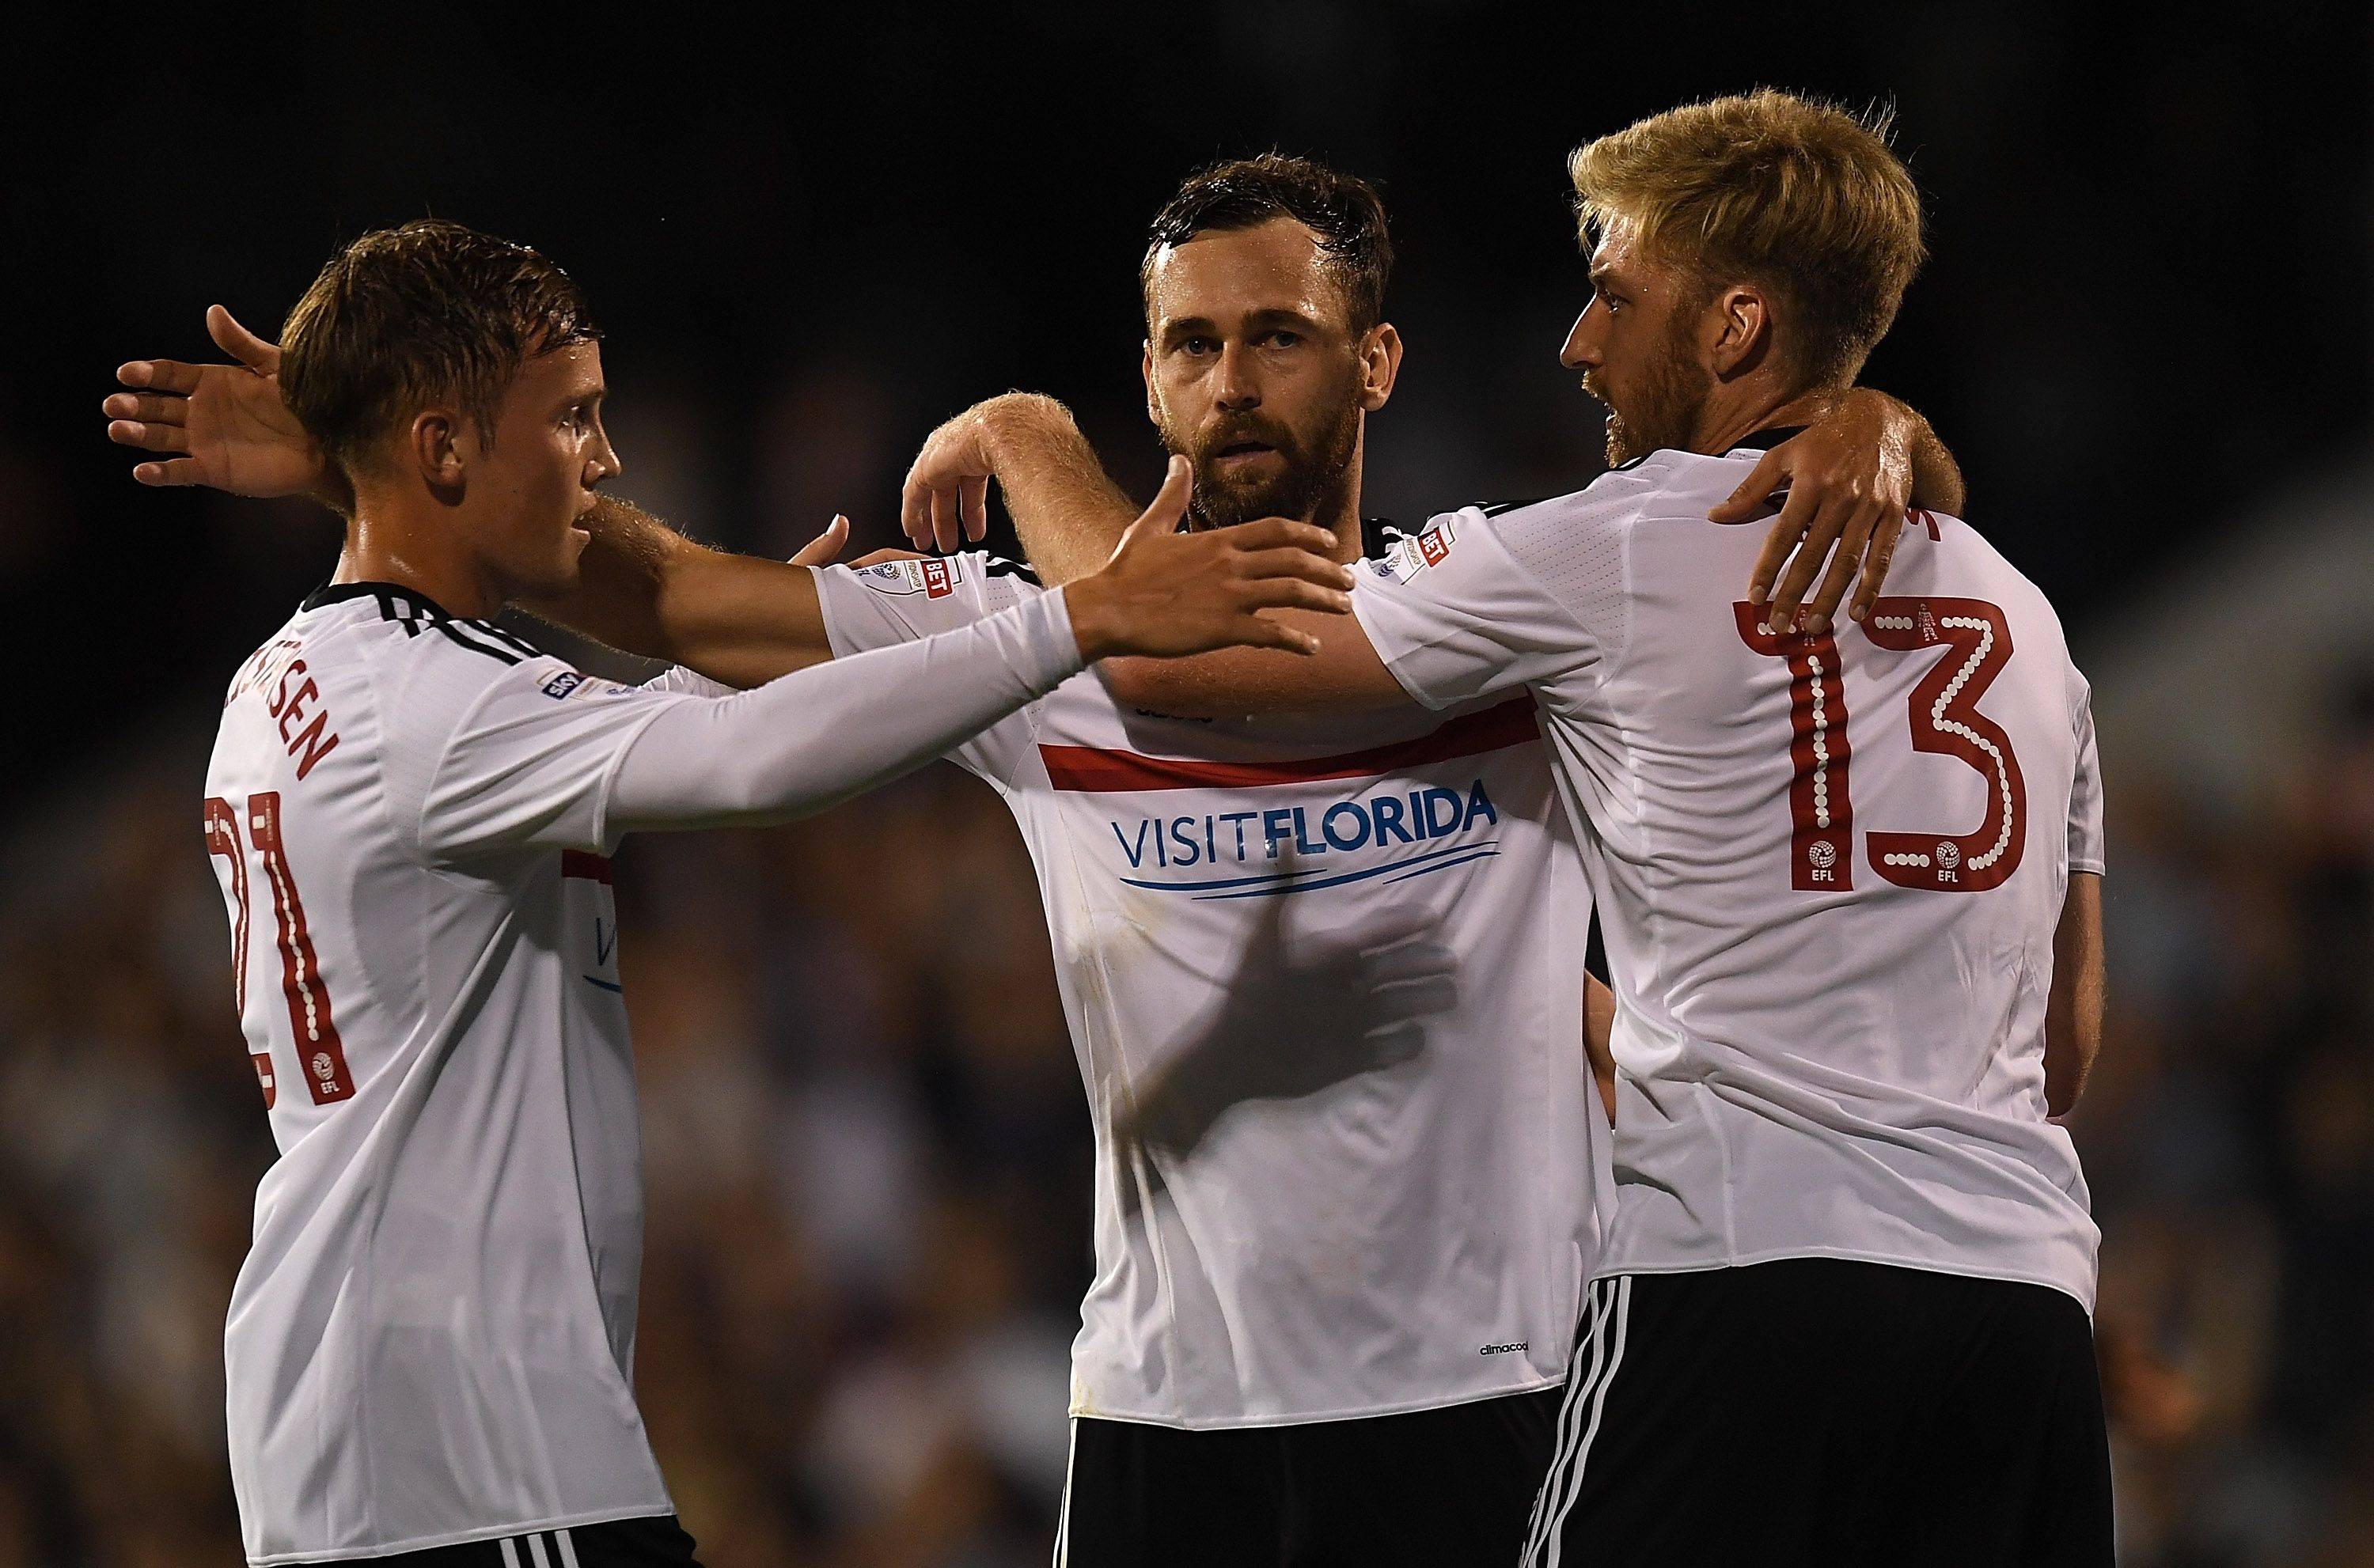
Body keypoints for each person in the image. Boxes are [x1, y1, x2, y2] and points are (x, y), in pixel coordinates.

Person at [107, 162, 1956, 1566]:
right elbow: (669, 594)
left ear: (1376, 358)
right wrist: (360, 469)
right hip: (1170, 1415)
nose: (1231, 384)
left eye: (1278, 337)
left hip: (1486, 1401)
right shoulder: (1022, 628)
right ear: (1149, 377)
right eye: (1191, 343)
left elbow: (1767, 496)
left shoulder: (1500, 609)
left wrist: (1873, 423)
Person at [937, 97, 2113, 1567]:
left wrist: (1031, 438)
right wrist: (1888, 422)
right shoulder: (2035, 624)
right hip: (2024, 1307)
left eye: (1617, 296)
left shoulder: (1613, 544)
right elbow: (2063, 1046)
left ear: (1736, 325)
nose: (1577, 342)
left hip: (1738, 1277)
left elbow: (1175, 659)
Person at [108, 218, 1353, 1568]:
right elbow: (752, 767)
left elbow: (533, 792)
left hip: (380, 1412)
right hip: (468, 1439)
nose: (607, 458)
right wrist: (1085, 617)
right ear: (445, 448)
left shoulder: (298, 679)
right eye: (574, 418)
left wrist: (720, 669)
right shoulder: (427, 701)